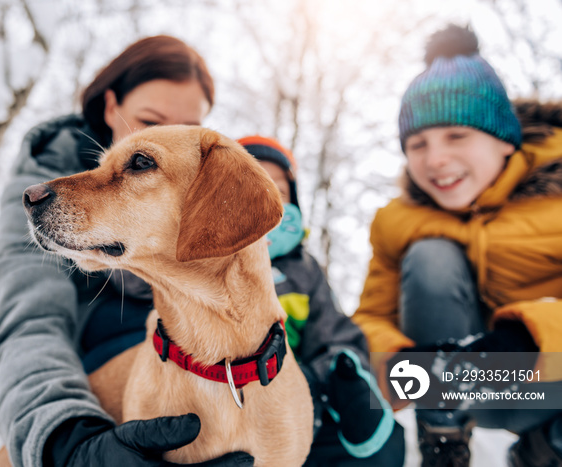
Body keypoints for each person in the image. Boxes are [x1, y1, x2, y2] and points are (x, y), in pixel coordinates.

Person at [0, 35, 254, 467]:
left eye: (181, 129)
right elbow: (26, 321)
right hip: (77, 353)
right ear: (109, 106)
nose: (165, 141)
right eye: (148, 121)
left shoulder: (200, 192)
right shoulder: (46, 182)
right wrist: (68, 440)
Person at [351, 24, 562, 467]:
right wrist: (404, 365)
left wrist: (522, 340)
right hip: (456, 382)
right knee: (431, 256)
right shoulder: (399, 220)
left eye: (456, 136)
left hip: (548, 379)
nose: (434, 160)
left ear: (503, 139)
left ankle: (545, 449)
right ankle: (442, 435)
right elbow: (372, 317)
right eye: (417, 144)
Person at [238, 136, 405, 467]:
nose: (268, 203)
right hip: (236, 401)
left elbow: (334, 334)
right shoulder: (204, 264)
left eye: (280, 193)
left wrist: (329, 375)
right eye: (251, 189)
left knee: (382, 443)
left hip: (305, 394)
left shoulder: (304, 270)